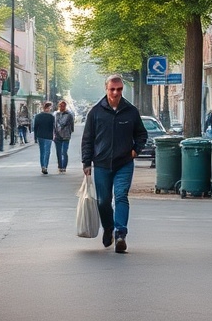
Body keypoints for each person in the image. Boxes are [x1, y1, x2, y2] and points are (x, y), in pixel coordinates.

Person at [81, 75, 147, 253]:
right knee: (103, 202)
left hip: (124, 163)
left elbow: (142, 134)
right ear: (106, 89)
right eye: (112, 89)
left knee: (120, 196)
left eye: (119, 89)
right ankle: (108, 228)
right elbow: (87, 139)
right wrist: (86, 162)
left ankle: (120, 234)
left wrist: (135, 150)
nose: (116, 92)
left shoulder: (131, 111)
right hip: (101, 164)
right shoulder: (95, 112)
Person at [31, 101, 55, 175]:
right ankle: (45, 166)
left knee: (42, 152)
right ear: (48, 108)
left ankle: (43, 166)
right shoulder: (51, 117)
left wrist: (35, 137)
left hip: (40, 135)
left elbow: (35, 127)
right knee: (47, 151)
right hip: (48, 136)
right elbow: (53, 127)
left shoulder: (38, 116)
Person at [52, 99, 75, 174]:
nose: (61, 107)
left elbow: (71, 125)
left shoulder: (69, 115)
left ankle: (64, 167)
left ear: (65, 106)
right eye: (60, 105)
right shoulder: (55, 114)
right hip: (57, 136)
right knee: (58, 152)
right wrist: (54, 133)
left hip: (66, 136)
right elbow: (54, 124)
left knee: (64, 152)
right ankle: (60, 167)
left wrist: (69, 132)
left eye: (63, 105)